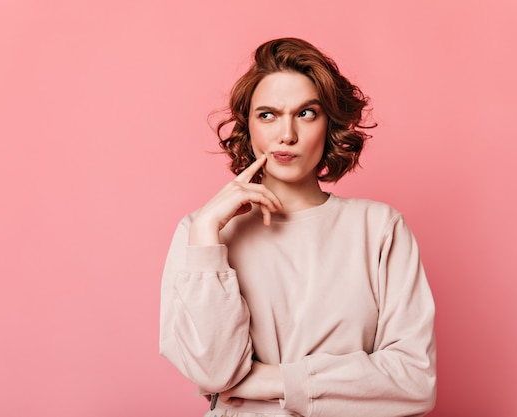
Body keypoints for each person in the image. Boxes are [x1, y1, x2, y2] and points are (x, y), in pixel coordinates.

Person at [159, 37, 436, 417]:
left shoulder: (380, 228)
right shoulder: (200, 232)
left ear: (329, 124)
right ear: (249, 127)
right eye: (268, 115)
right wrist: (207, 234)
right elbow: (214, 372)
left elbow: (415, 383)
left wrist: (278, 382)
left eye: (306, 113)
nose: (286, 134)